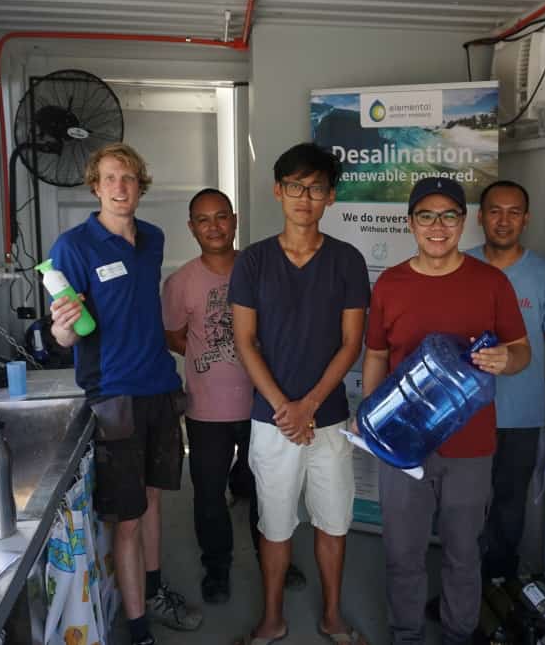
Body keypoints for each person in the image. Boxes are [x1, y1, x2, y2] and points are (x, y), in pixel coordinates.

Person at [362, 176, 532, 645]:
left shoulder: (491, 282)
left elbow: (521, 350)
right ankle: (408, 635)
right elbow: (376, 354)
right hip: (404, 446)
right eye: (426, 216)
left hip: (471, 445)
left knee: (462, 552)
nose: (438, 226)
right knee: (403, 552)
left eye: (449, 215)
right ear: (411, 223)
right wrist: (371, 426)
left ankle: (459, 633)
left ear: (463, 222)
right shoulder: (391, 284)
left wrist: (508, 360)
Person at [48, 143, 201, 645]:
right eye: (111, 178)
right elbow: (65, 335)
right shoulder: (73, 247)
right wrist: (64, 329)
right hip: (114, 396)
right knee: (128, 518)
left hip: (160, 386)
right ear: (95, 185)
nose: (120, 187)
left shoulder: (153, 239)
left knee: (154, 501)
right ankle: (138, 631)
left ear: (141, 186)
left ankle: (153, 592)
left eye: (130, 178)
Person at [229, 143, 370, 645]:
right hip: (271, 424)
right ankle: (273, 618)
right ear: (277, 191)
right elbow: (244, 341)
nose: (303, 197)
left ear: (330, 196)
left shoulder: (347, 261)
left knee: (333, 523)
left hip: (327, 418)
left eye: (314, 188)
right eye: (294, 186)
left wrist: (308, 405)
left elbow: (352, 343)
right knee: (275, 524)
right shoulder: (253, 262)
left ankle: (332, 616)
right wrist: (283, 408)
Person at [162, 188, 305, 606]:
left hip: (264, 403)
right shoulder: (180, 282)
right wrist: (211, 358)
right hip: (208, 408)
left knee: (269, 488)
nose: (214, 226)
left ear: (235, 220)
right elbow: (174, 335)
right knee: (208, 492)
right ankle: (217, 566)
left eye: (221, 217)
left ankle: (274, 558)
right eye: (204, 220)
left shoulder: (261, 268)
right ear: (192, 228)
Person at [467, 180, 545, 581]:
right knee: (463, 510)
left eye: (514, 212)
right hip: (466, 416)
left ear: (526, 220)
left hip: (521, 416)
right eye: (495, 210)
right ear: (480, 216)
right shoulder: (459, 266)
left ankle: (499, 589)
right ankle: (462, 596)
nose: (504, 220)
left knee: (510, 508)